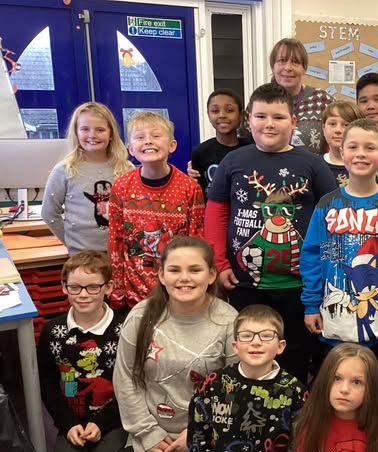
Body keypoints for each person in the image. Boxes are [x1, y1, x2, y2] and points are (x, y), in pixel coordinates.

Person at [204, 82, 336, 384]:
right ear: (248, 120)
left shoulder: (312, 164)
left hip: (299, 286)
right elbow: (216, 213)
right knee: (248, 352)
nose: (269, 124)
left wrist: (324, 271)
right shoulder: (233, 161)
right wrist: (219, 263)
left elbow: (331, 220)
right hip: (245, 282)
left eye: (278, 117)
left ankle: (294, 407)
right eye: (261, 116)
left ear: (293, 121)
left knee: (296, 355)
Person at [113, 236, 238, 452]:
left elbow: (234, 388)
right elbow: (126, 378)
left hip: (201, 428)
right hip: (151, 423)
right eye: (174, 270)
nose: (184, 278)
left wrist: (198, 432)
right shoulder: (141, 316)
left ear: (211, 275)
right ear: (161, 275)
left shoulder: (228, 320)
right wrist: (146, 431)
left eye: (195, 270)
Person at [300, 118, 378, 397]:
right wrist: (311, 303)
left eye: (370, 147)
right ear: (342, 152)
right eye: (353, 147)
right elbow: (315, 255)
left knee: (373, 385)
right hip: (333, 320)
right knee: (330, 384)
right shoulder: (327, 205)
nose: (361, 154)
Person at [188, 304, 306, 452]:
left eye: (266, 335)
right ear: (235, 346)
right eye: (246, 336)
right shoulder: (213, 385)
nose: (256, 342)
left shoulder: (295, 392)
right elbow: (198, 444)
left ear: (281, 346)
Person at [37, 250, 126, 452]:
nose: (83, 295)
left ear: (108, 288)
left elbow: (133, 386)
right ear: (63, 287)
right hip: (72, 417)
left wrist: (102, 423)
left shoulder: (124, 329)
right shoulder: (52, 331)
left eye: (93, 287)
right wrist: (67, 424)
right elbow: (47, 383)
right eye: (74, 287)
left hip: (113, 418)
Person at [108, 111, 205, 311]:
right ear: (130, 149)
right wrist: (117, 290)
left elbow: (197, 240)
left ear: (172, 145)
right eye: (140, 137)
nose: (148, 141)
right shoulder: (121, 187)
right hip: (134, 295)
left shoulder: (190, 188)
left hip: (177, 291)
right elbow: (116, 240)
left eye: (156, 135)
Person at [42, 102, 133, 254]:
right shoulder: (64, 170)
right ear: (76, 132)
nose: (92, 135)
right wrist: (70, 242)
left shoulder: (126, 169)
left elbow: (135, 212)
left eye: (100, 130)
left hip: (120, 254)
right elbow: (49, 213)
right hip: (81, 255)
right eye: (85, 129)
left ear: (111, 134)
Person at [270, 38, 333, 154]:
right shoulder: (261, 101)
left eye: (295, 62)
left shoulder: (323, 100)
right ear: (273, 67)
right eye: (282, 60)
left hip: (313, 165)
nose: (288, 68)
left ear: (304, 68)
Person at [189, 88, 253, 198]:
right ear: (208, 115)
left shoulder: (252, 149)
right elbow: (198, 192)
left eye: (229, 110)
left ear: (241, 115)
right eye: (215, 111)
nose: (222, 115)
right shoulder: (200, 152)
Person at [321, 100, 378, 187]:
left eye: (346, 125)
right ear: (324, 128)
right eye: (332, 124)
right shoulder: (314, 165)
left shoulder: (369, 166)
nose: (338, 130)